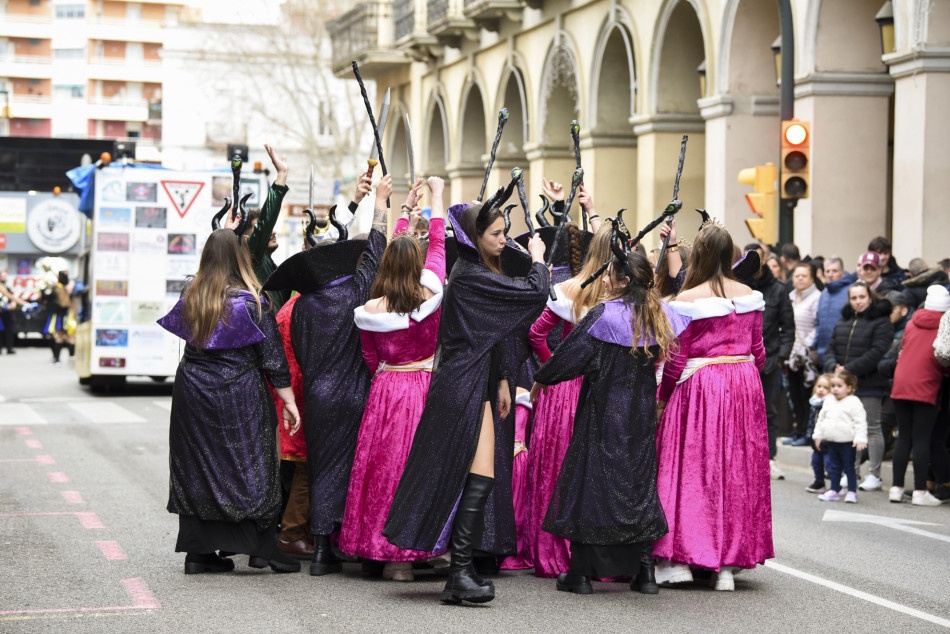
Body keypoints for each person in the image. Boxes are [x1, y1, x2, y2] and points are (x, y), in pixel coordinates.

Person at [383, 182, 549, 605]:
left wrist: (503, 380)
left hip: (476, 383)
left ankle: (462, 571)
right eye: (496, 234)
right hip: (461, 387)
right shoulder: (472, 276)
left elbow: (495, 336)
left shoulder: (479, 272)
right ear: (475, 237)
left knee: (482, 477)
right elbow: (533, 295)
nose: (503, 239)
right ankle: (459, 573)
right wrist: (539, 261)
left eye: (504, 231)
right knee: (474, 477)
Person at [530, 249, 687, 595]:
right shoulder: (658, 313)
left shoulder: (605, 314)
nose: (604, 279)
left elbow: (571, 354)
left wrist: (542, 377)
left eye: (609, 275)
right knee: (638, 487)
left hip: (604, 410)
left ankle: (581, 572)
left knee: (591, 484)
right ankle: (644, 573)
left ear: (624, 281)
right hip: (641, 414)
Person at [158, 229, 302, 574]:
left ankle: (199, 552)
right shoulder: (253, 300)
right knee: (252, 463)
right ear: (241, 257)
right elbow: (272, 358)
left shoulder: (191, 293)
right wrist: (290, 401)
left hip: (192, 388)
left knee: (197, 465)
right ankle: (260, 548)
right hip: (240, 390)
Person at [339, 176, 447, 581]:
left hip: (385, 389)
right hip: (423, 389)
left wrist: (402, 215)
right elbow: (437, 246)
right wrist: (435, 196)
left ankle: (380, 551)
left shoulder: (371, 307)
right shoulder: (430, 293)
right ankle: (416, 550)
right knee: (419, 468)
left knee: (381, 470)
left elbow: (369, 356)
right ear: (417, 266)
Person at [656, 224, 773, 592]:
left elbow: (676, 359)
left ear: (702, 255)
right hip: (744, 384)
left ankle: (679, 561)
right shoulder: (750, 295)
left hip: (701, 387)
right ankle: (725, 565)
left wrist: (661, 400)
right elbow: (760, 354)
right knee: (735, 470)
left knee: (691, 469)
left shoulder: (688, 299)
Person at [287, 176, 391, 576]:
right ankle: (352, 541)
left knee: (320, 467)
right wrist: (380, 203)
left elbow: (297, 352)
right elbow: (377, 250)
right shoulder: (356, 293)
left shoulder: (301, 307)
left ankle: (320, 551)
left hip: (318, 396)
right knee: (353, 469)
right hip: (354, 394)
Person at [525, 225, 611, 578]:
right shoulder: (620, 296)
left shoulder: (568, 289)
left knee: (558, 467)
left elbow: (536, 334)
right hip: (602, 389)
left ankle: (553, 549)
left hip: (562, 391)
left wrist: (553, 367)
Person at [823, 281, 893, 491]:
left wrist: (848, 370)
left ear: (870, 298)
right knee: (850, 431)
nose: (858, 302)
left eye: (862, 297)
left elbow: (877, 351)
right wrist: (832, 368)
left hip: (869, 383)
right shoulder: (843, 320)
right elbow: (831, 347)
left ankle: (874, 474)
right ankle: (851, 471)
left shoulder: (881, 321)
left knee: (871, 428)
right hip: (845, 386)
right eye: (854, 298)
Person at [888, 286, 950, 506]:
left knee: (904, 437)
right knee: (922, 439)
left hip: (900, 384)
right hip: (926, 386)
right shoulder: (945, 325)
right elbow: (943, 358)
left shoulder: (912, 322)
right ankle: (920, 491)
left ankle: (896, 488)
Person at [745, 243, 795, 480]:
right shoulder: (739, 286)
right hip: (743, 361)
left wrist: (781, 358)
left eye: (758, 258)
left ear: (764, 260)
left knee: (769, 411)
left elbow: (788, 327)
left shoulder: (778, 288)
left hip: (771, 360)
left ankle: (770, 457)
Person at [814, 370, 868, 503]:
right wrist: (818, 436)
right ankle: (834, 489)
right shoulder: (829, 401)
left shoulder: (854, 402)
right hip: (832, 441)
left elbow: (860, 422)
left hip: (847, 442)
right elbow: (821, 419)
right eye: (833, 386)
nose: (835, 389)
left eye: (839, 386)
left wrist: (860, 439)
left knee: (849, 467)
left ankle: (851, 491)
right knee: (834, 467)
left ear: (849, 388)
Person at [786, 262, 821, 445]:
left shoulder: (817, 297)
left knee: (807, 394)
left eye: (804, 276)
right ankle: (797, 430)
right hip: (791, 355)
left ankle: (807, 432)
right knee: (795, 394)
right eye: (797, 275)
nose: (800, 278)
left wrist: (804, 347)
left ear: (812, 278)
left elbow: (818, 326)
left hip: (806, 356)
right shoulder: (790, 297)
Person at [814, 257, 857, 366]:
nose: (830, 274)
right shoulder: (823, 294)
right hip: (823, 352)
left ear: (842, 272)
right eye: (827, 271)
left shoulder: (850, 292)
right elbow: (818, 321)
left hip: (842, 353)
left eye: (834, 271)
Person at [804, 374, 833, 493]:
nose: (821, 389)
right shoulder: (814, 403)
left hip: (828, 440)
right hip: (816, 439)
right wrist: (810, 435)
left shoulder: (831, 405)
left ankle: (835, 485)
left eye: (825, 388)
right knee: (816, 462)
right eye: (819, 386)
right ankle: (819, 482)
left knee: (830, 464)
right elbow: (811, 421)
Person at [44, 271, 71, 366]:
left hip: (58, 317)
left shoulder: (57, 290)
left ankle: (57, 359)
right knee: (70, 338)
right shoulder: (69, 289)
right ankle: (72, 359)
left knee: (58, 337)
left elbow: (46, 297)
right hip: (69, 317)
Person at [0, 269, 28, 354]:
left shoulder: (8, 287)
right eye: (2, 276)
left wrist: (14, 304)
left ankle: (9, 347)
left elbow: (12, 297)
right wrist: (25, 304)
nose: (4, 277)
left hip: (8, 312)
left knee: (9, 330)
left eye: (5, 276)